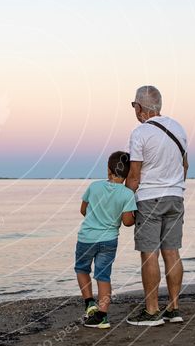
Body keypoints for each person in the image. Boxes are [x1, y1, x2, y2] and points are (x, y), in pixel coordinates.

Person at [125, 85, 188, 327]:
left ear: (140, 108)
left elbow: (134, 176)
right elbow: (185, 166)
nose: (134, 110)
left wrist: (123, 203)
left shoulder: (140, 133)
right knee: (172, 252)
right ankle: (174, 308)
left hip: (150, 198)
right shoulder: (179, 128)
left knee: (149, 253)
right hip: (176, 197)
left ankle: (152, 311)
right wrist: (175, 188)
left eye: (134, 106)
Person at [75, 151, 137, 329]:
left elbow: (83, 210)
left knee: (81, 269)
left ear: (109, 170)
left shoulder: (94, 187)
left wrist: (96, 216)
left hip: (86, 237)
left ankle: (89, 303)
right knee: (103, 276)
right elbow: (127, 222)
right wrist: (136, 216)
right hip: (109, 240)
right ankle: (102, 316)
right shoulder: (127, 194)